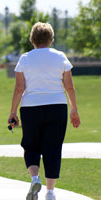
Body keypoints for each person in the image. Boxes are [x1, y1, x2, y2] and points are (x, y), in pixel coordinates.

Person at [7, 22, 80, 200]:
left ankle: (34, 178)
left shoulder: (25, 58)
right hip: (57, 107)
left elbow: (19, 88)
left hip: (31, 108)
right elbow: (69, 87)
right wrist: (74, 109)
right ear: (51, 39)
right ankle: (50, 192)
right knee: (53, 148)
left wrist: (13, 112)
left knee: (30, 146)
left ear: (32, 39)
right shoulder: (61, 56)